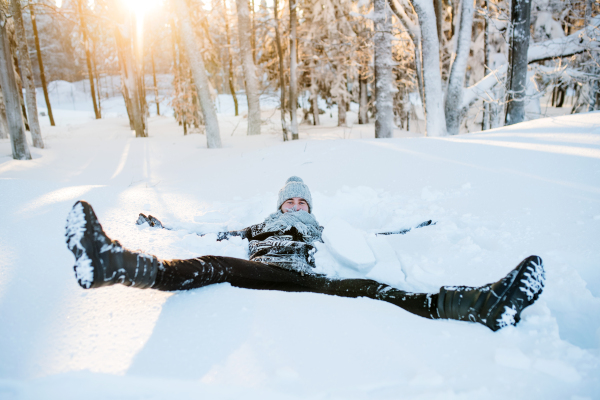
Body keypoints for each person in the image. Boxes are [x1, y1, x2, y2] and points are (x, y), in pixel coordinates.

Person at [65, 176, 545, 332]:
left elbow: (363, 239)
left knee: (375, 290)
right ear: (278, 205)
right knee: (212, 266)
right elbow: (213, 231)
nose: (295, 205)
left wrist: (410, 228)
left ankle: (481, 305)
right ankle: (116, 264)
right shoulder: (260, 225)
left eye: (301, 201)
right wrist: (163, 225)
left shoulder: (319, 227)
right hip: (260, 270)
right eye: (289, 200)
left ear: (310, 207)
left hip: (305, 280)